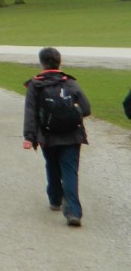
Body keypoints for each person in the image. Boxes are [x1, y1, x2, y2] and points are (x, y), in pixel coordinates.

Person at [22, 47, 91, 227]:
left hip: (47, 136)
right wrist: (69, 116)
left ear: (42, 63)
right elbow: (86, 109)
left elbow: (30, 113)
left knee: (52, 166)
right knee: (70, 171)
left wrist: (29, 137)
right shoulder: (70, 83)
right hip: (72, 135)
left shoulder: (35, 85)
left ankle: (55, 200)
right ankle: (74, 212)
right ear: (60, 61)